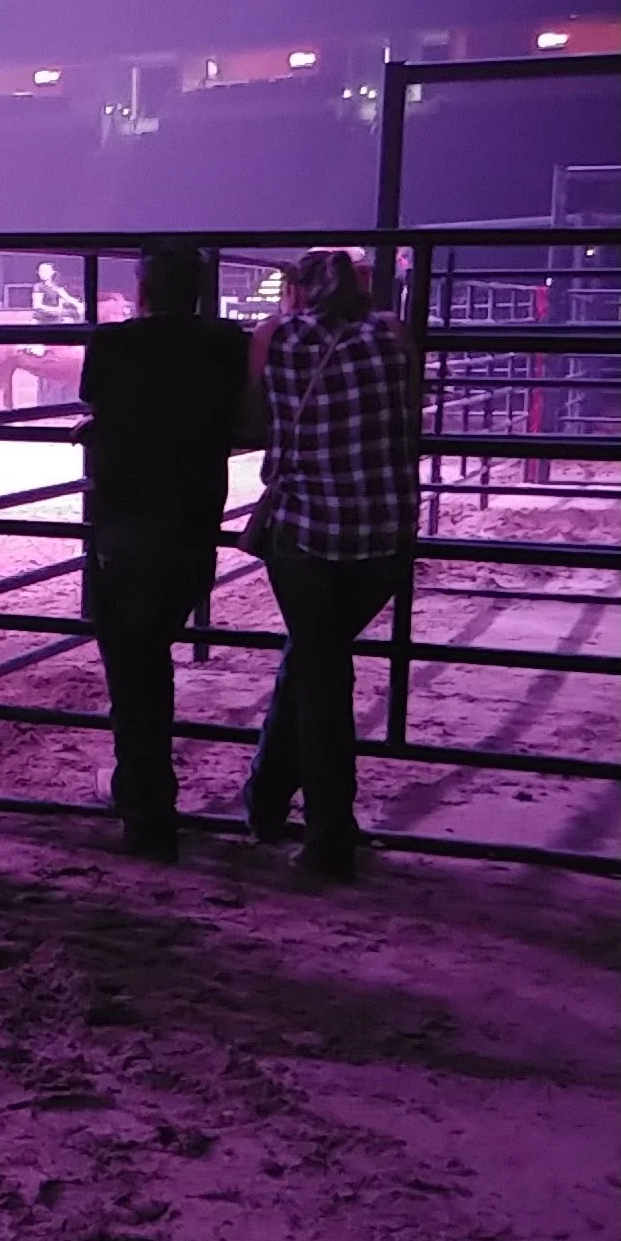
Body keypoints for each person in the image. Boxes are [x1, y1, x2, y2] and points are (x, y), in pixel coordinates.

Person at [241, 246, 417, 883]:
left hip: (306, 531)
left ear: (295, 291)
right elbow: (408, 413)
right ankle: (264, 801)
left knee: (319, 674)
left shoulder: (274, 337)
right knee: (316, 657)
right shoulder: (392, 334)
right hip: (384, 534)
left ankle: (328, 833)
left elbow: (249, 420)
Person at [77, 245, 250, 860]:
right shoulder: (228, 344)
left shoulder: (113, 344)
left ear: (142, 289)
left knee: (133, 670)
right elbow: (242, 417)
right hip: (192, 523)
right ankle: (142, 794)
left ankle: (146, 810)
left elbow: (99, 406)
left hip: (125, 523)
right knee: (154, 657)